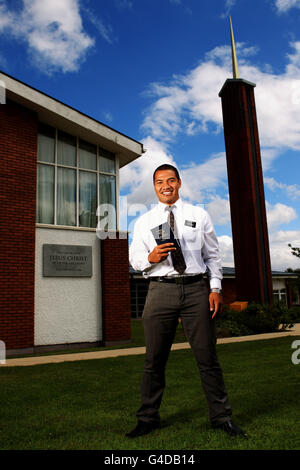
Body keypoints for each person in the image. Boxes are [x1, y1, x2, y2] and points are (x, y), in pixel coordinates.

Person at [126, 164, 246, 439]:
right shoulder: (143, 222)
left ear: (179, 183)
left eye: (170, 180)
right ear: (154, 187)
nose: (165, 185)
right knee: (153, 360)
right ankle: (147, 418)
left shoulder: (198, 214)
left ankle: (222, 417)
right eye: (159, 182)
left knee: (208, 357)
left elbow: (213, 255)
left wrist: (215, 288)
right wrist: (151, 258)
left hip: (195, 291)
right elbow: (134, 260)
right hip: (160, 290)